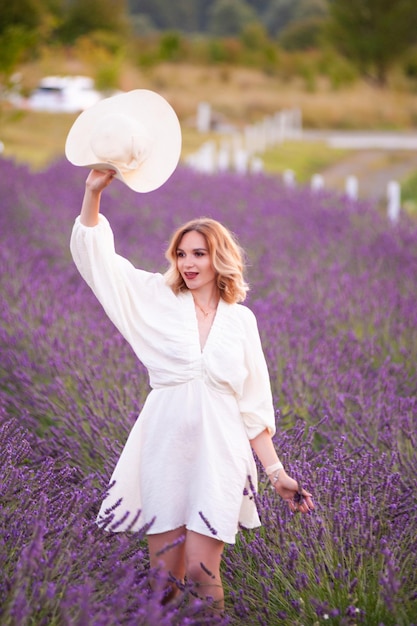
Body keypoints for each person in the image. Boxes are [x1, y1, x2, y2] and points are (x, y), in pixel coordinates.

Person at [70, 168, 314, 611]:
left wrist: (278, 475)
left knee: (203, 575)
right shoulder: (158, 297)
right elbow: (99, 263)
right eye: (181, 254)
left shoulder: (242, 321)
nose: (187, 263)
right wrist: (93, 193)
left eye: (198, 253)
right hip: (163, 446)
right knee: (163, 580)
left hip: (220, 453)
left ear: (218, 258)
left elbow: (253, 409)